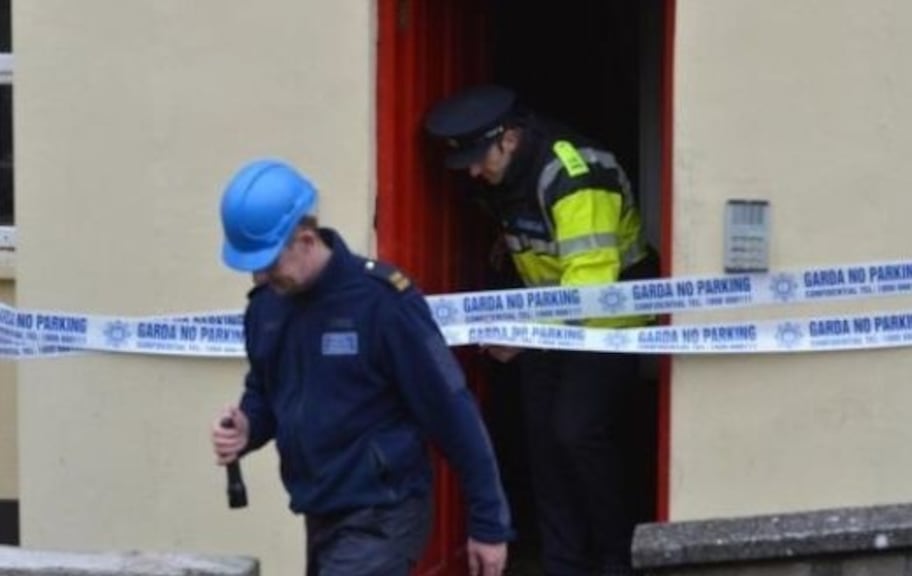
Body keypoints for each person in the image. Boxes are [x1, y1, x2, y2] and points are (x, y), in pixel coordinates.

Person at [209, 159, 513, 576]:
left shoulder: (382, 304)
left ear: (306, 236)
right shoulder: (266, 309)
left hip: (384, 512)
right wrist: (248, 427)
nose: (261, 276)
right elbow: (264, 389)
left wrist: (489, 523)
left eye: (269, 261)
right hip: (320, 508)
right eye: (252, 265)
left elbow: (452, 409)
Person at [425, 86, 659, 576]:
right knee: (544, 446)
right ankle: (563, 564)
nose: (472, 171)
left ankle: (618, 558)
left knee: (576, 433)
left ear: (509, 139)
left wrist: (522, 334)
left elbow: (589, 291)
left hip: (606, 322)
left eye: (477, 157)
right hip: (549, 321)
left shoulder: (577, 178)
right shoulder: (503, 172)